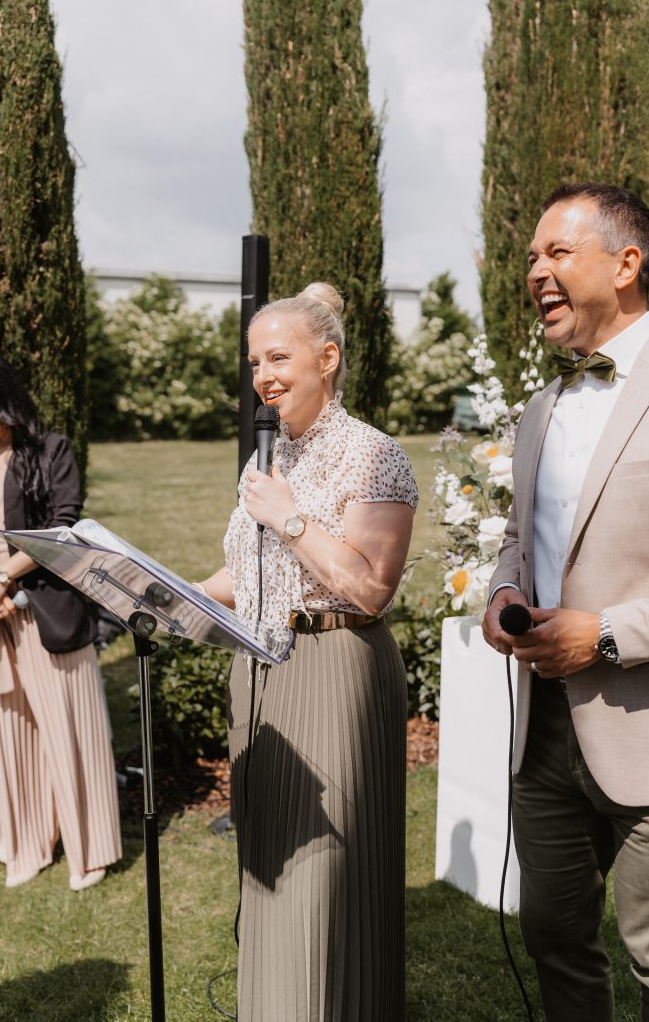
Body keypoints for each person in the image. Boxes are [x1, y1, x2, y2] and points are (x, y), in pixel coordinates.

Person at [482, 182, 649, 1020]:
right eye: (531, 257)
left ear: (625, 263)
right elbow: (517, 543)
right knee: (555, 943)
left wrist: (602, 635)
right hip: (544, 736)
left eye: (556, 252)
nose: (535, 271)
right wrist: (500, 593)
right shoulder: (540, 408)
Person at [199, 281, 417, 1022]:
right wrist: (171, 593)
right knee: (270, 857)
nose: (263, 375)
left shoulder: (373, 454)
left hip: (335, 669)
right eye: (254, 361)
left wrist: (289, 517)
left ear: (327, 358)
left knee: (327, 872)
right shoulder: (266, 461)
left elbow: (368, 588)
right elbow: (251, 571)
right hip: (257, 667)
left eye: (279, 356)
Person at [0, 357, 122, 890]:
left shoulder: (50, 450)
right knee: (11, 731)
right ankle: (26, 844)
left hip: (45, 607)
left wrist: (3, 577)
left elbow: (64, 528)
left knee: (71, 727)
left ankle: (90, 849)